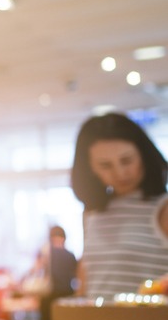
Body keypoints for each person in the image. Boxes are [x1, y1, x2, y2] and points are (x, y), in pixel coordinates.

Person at [70, 111, 168, 299]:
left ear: (143, 156)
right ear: (90, 169)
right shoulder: (93, 213)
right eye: (105, 165)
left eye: (127, 160)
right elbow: (88, 284)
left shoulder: (163, 208)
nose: (120, 173)